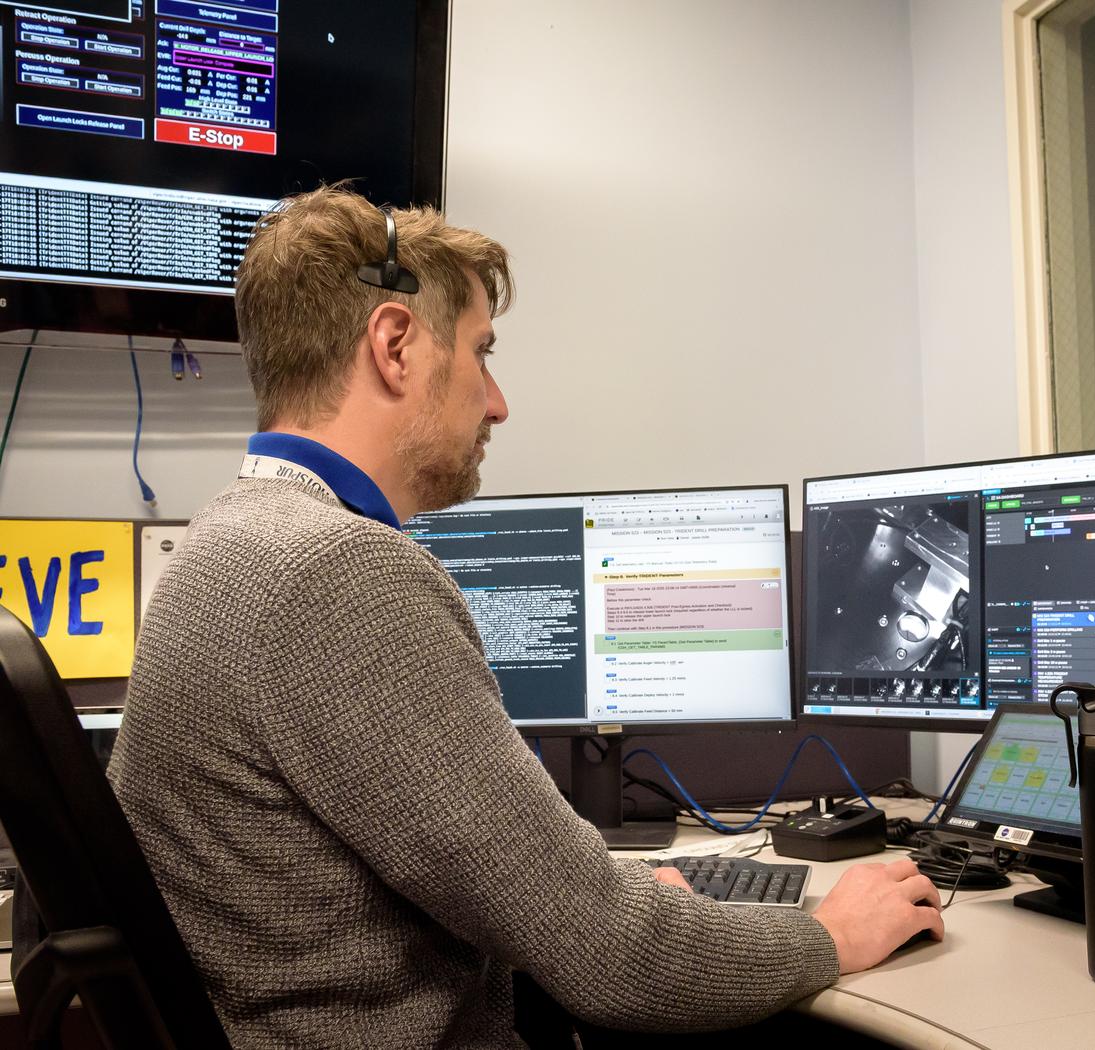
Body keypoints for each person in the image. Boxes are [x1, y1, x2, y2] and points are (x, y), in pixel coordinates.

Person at [108, 186, 943, 1048]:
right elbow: (615, 960)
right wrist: (827, 935)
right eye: (481, 352)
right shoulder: (338, 573)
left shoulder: (227, 539)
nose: (498, 402)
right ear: (394, 345)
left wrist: (587, 904)